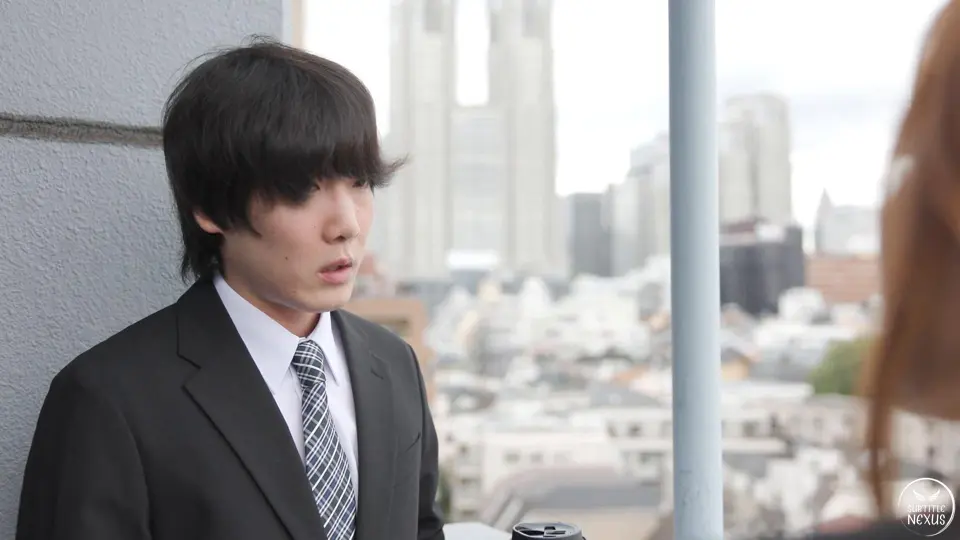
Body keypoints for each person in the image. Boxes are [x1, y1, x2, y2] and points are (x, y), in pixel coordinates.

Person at [15, 39, 445, 540]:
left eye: (359, 182)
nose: (346, 224)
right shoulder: (108, 399)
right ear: (210, 208)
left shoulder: (393, 364)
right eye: (301, 190)